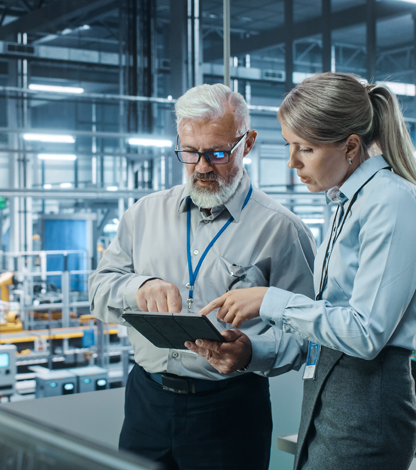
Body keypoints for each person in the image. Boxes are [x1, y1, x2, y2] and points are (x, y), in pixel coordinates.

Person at [192, 72, 416, 470]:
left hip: (368, 403)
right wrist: (250, 351)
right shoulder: (345, 205)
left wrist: (269, 301)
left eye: (306, 149)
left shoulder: (392, 202)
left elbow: (365, 334)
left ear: (350, 147)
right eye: (289, 146)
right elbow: (326, 326)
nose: (292, 162)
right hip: (330, 395)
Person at [88, 83, 316, 470]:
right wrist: (139, 287)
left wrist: (251, 352)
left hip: (230, 408)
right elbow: (98, 288)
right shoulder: (143, 214)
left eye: (217, 152)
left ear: (248, 143)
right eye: (190, 152)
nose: (203, 166)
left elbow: (309, 333)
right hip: (147, 400)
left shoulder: (281, 230)